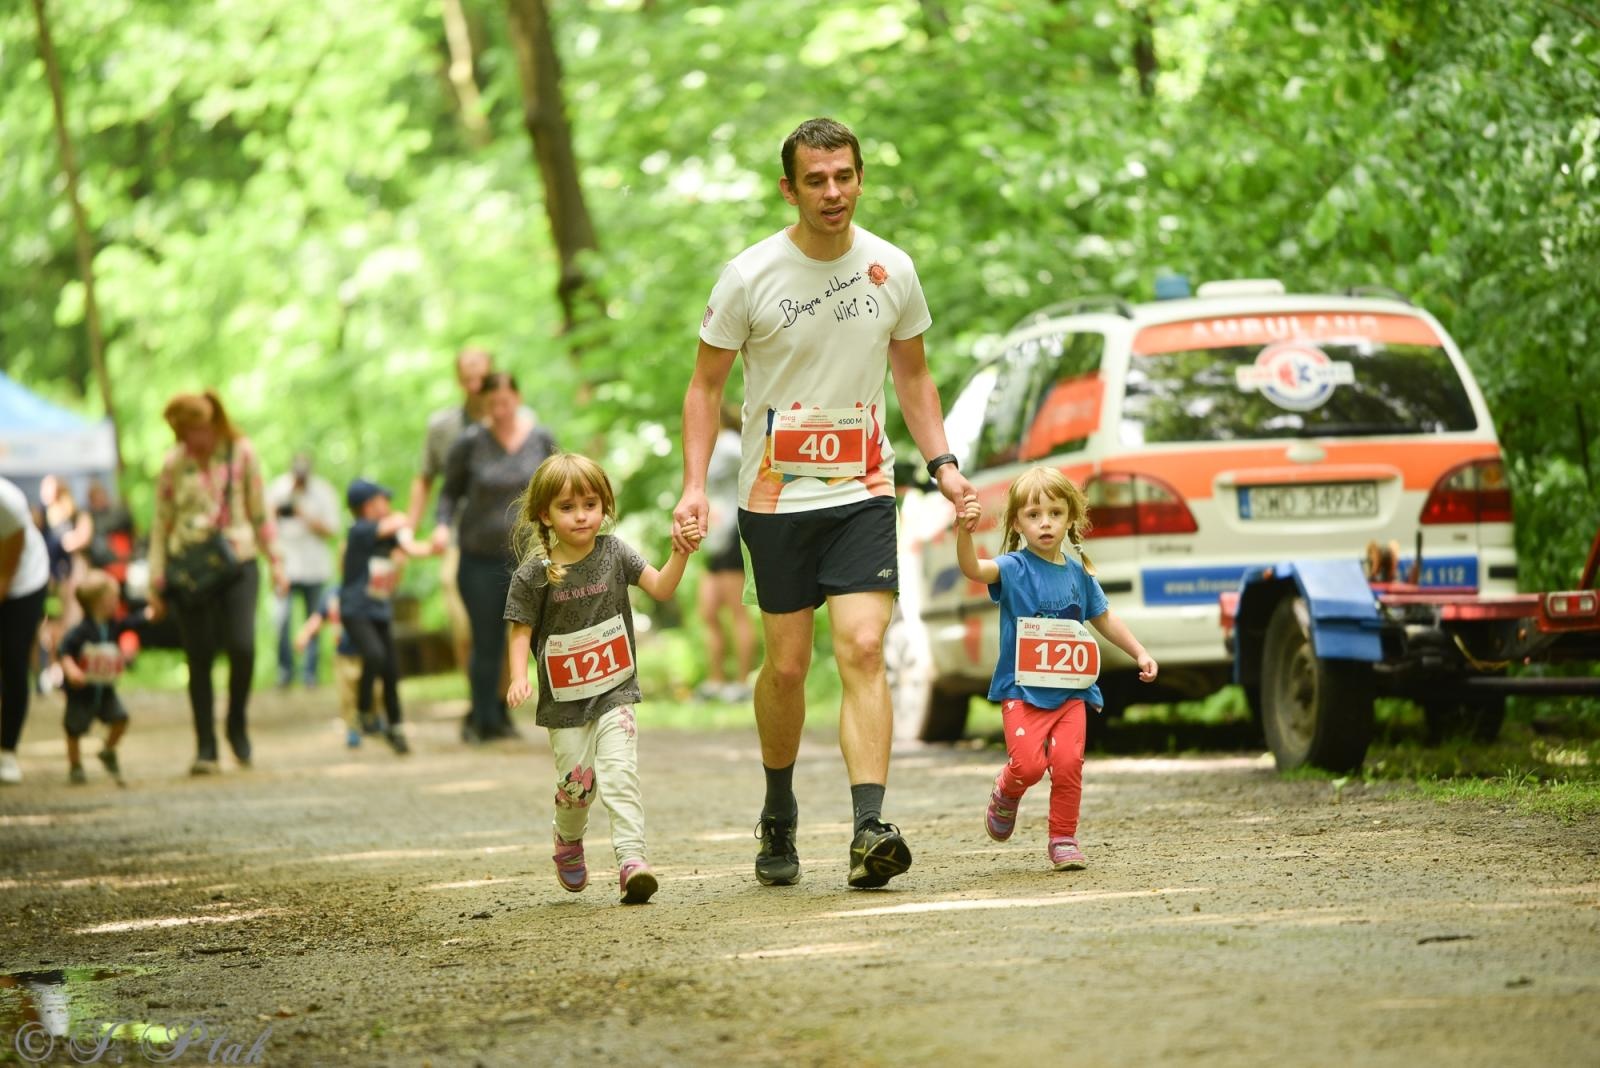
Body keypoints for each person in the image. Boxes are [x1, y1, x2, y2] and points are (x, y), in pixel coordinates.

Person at [673, 117, 977, 889]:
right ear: (790, 188)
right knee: (786, 666)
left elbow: (913, 377)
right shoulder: (748, 277)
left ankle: (869, 826)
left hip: (863, 488)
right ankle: (778, 808)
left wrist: (942, 463)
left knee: (864, 647)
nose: (833, 192)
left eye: (844, 176)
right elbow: (705, 388)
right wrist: (691, 486)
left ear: (860, 178)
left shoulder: (891, 269)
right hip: (774, 500)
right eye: (817, 179)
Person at [504, 453, 698, 904]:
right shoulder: (535, 573)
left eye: (590, 504)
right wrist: (519, 676)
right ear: (544, 514)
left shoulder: (615, 553)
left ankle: (633, 862)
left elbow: (662, 588)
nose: (581, 515)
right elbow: (520, 633)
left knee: (619, 772)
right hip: (564, 702)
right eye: (567, 507)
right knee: (579, 786)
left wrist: (680, 553)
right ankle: (567, 838)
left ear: (605, 505)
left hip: (615, 690)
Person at [955, 467, 1158, 870]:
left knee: (1067, 764)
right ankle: (1006, 790)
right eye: (1033, 515)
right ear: (1017, 522)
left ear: (1070, 519)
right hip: (1022, 691)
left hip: (1071, 692)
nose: (1045, 523)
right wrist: (964, 532)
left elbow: (1103, 617)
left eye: (1054, 513)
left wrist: (1139, 651)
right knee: (1029, 765)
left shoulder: (1079, 574)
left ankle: (1063, 838)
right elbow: (974, 570)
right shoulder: (1014, 568)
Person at [147, 390, 287, 776]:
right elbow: (160, 524)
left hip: (237, 560)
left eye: (197, 429)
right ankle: (205, 746)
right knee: (199, 656)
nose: (193, 438)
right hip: (190, 569)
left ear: (212, 423)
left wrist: (277, 563)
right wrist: (156, 582)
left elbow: (261, 512)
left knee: (242, 646)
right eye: (185, 431)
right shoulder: (174, 464)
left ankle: (236, 724)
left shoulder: (241, 453)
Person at [437, 372, 557, 743]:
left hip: (530, 557)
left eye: (505, 403)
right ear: (483, 406)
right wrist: (442, 527)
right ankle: (481, 718)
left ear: (517, 398)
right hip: (478, 557)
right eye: (492, 405)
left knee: (532, 635)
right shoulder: (470, 443)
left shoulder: (540, 439)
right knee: (486, 639)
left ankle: (515, 712)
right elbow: (448, 494)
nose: (500, 411)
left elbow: (559, 483)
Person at [408, 347, 493, 693]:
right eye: (466, 370)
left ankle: (499, 702)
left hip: (505, 534)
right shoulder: (442, 427)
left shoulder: (513, 420)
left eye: (480, 368)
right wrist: (408, 532)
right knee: (463, 620)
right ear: (459, 378)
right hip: (458, 534)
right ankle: (478, 695)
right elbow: (425, 478)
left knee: (505, 621)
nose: (474, 375)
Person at [338, 479, 434, 755]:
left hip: (378, 609)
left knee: (391, 670)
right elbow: (397, 524)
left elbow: (410, 547)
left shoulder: (386, 533)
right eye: (384, 500)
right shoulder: (359, 531)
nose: (389, 506)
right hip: (355, 610)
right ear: (369, 505)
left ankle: (396, 727)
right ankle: (364, 711)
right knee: (374, 655)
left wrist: (432, 548)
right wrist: (405, 517)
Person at [693, 404, 757, 702]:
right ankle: (716, 681)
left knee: (736, 610)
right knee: (708, 610)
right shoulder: (709, 447)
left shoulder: (731, 443)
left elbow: (757, 467)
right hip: (714, 539)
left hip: (733, 533)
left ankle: (743, 683)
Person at [266, 453, 340, 689]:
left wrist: (303, 514)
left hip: (314, 567)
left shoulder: (323, 491)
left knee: (314, 621)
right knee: (281, 621)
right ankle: (285, 672)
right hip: (286, 567)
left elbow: (332, 529)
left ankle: (311, 673)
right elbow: (265, 526)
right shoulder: (277, 489)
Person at [57, 570, 135, 785]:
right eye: (113, 598)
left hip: (105, 689)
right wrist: (72, 671)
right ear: (99, 603)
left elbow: (133, 624)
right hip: (82, 690)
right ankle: (75, 765)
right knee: (74, 728)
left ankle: (108, 750)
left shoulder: (113, 626)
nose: (117, 602)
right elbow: (64, 651)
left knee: (120, 718)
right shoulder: (81, 631)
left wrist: (149, 614)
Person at [0, 476, 50, 785]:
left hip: (23, 580)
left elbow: (5, 574)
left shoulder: (7, 502)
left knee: (12, 659)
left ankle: (7, 751)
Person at [295, 590, 389, 749]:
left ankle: (375, 718)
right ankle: (353, 728)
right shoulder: (332, 594)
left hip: (366, 653)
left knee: (375, 689)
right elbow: (319, 616)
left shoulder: (368, 589)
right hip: (343, 655)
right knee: (347, 696)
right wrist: (306, 633)